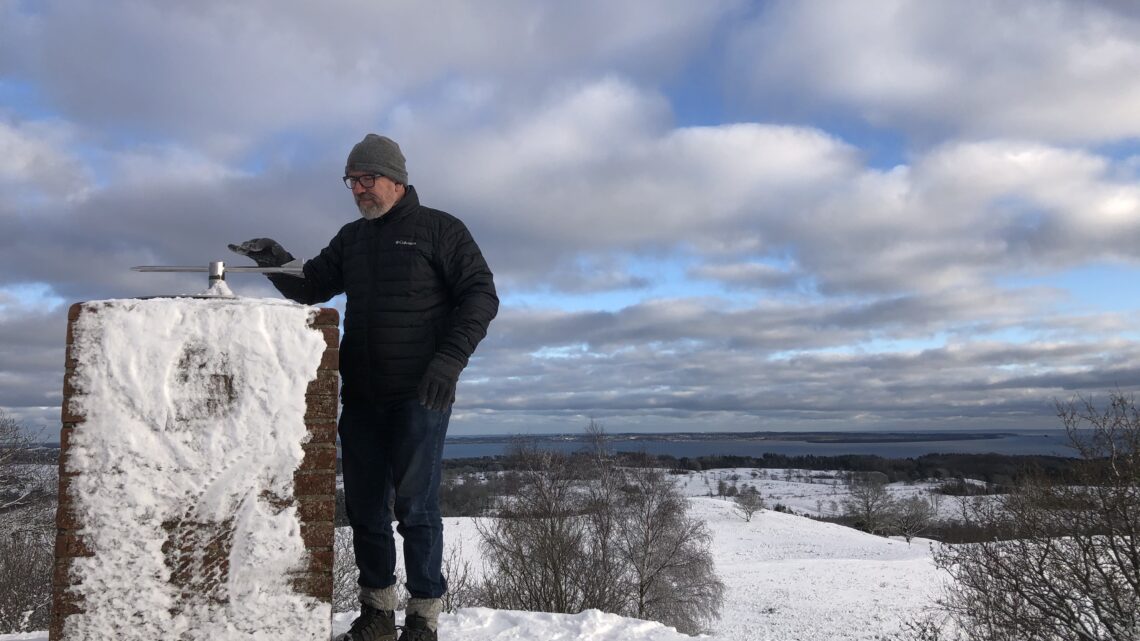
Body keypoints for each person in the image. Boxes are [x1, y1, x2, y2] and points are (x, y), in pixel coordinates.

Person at [230, 134, 498, 641]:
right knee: (365, 508)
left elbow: (481, 296)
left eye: (366, 179)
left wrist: (449, 360)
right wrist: (274, 258)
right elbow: (310, 284)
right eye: (351, 181)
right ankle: (377, 613)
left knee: (416, 508)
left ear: (395, 179)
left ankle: (423, 618)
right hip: (363, 397)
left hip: (422, 393)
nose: (358, 190)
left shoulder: (441, 230)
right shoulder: (353, 238)